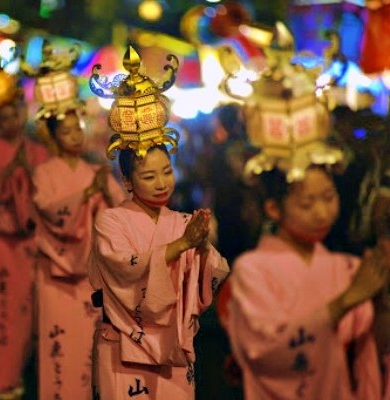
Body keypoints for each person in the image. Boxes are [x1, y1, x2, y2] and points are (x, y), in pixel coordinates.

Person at [88, 46, 229, 399]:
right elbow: (124, 267)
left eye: (166, 172)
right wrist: (182, 245)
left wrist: (201, 245)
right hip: (124, 343)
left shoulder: (183, 221)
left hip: (173, 344)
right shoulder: (110, 220)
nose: (162, 182)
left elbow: (211, 273)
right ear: (128, 182)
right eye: (149, 176)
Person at [220, 165, 389, 399]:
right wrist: (345, 301)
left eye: (329, 197)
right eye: (306, 204)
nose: (322, 213)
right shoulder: (252, 269)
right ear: (273, 209)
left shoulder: (347, 267)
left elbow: (369, 349)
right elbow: (266, 350)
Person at [32, 110, 126, 399]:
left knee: (88, 350)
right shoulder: (44, 173)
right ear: (54, 137)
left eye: (78, 128)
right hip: (56, 275)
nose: (75, 136)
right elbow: (49, 211)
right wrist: (86, 196)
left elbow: (120, 212)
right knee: (60, 347)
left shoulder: (94, 172)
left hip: (89, 275)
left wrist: (105, 193)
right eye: (67, 131)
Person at [0, 95, 48, 399]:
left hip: (29, 239)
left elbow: (48, 193)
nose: (10, 124)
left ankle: (21, 369)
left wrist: (28, 170)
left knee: (29, 310)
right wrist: (11, 169)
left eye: (13, 115)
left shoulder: (38, 151)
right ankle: (2, 378)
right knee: (0, 307)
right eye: (2, 118)